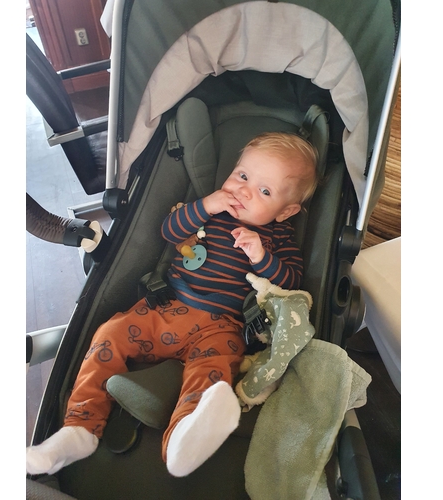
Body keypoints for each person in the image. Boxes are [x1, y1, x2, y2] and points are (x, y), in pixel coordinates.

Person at [26, 131, 318, 478]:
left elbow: (291, 281)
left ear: (286, 212)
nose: (244, 190)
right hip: (167, 307)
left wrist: (261, 256)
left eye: (264, 191)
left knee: (213, 372)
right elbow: (169, 231)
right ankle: (80, 429)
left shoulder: (277, 238)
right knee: (110, 333)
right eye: (242, 175)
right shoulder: (209, 210)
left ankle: (183, 439)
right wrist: (206, 206)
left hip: (223, 325)